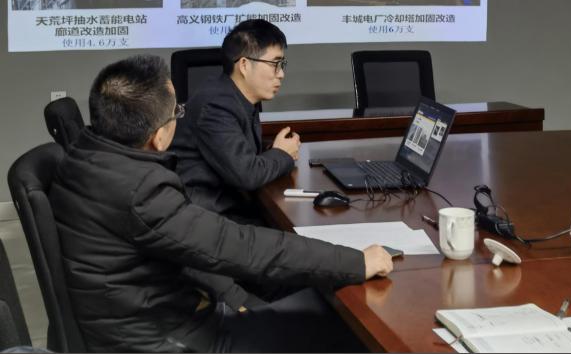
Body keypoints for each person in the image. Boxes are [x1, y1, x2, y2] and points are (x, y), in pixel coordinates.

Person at [50, 55, 393, 353]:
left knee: (312, 305)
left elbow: (187, 247)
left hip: (137, 320)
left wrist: (234, 296)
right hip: (165, 339)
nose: (178, 117)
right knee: (347, 331)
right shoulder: (140, 191)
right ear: (159, 136)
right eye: (176, 112)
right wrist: (356, 261)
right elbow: (240, 247)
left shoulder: (86, 157)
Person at [171, 19, 300, 221]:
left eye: (282, 65)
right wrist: (282, 154)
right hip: (207, 219)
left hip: (229, 211)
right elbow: (247, 175)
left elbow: (241, 155)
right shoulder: (216, 105)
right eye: (275, 64)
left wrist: (273, 151)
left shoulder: (237, 97)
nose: (281, 74)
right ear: (244, 65)